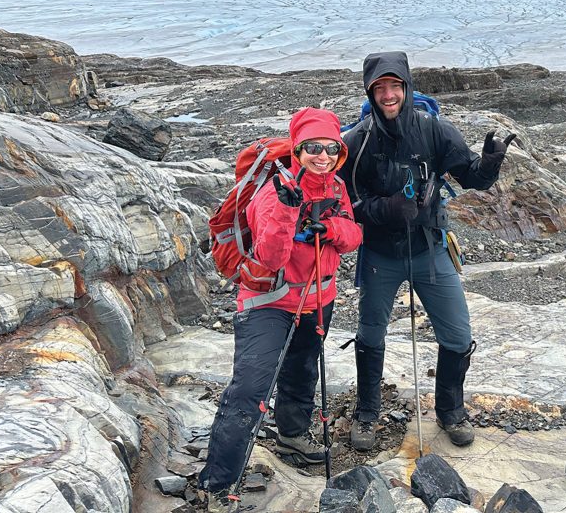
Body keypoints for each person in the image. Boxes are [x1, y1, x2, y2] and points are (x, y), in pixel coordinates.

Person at [338, 51, 515, 451]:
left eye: (394, 86)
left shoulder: (435, 130)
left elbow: (471, 178)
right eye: (379, 88)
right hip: (380, 255)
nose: (388, 95)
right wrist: (383, 210)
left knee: (457, 334)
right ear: (370, 91)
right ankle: (368, 412)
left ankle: (449, 410)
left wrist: (488, 166)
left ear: (406, 87)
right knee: (370, 333)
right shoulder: (357, 141)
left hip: (430, 250)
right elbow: (344, 202)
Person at [199, 107, 363, 511]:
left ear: (339, 151)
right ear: (298, 148)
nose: (321, 156)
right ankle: (217, 481)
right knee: (251, 389)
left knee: (302, 370)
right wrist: (291, 211)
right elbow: (271, 257)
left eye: (330, 147)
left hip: (317, 300)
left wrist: (332, 228)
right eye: (312, 148)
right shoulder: (275, 189)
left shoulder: (337, 187)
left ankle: (292, 435)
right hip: (268, 303)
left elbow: (354, 235)